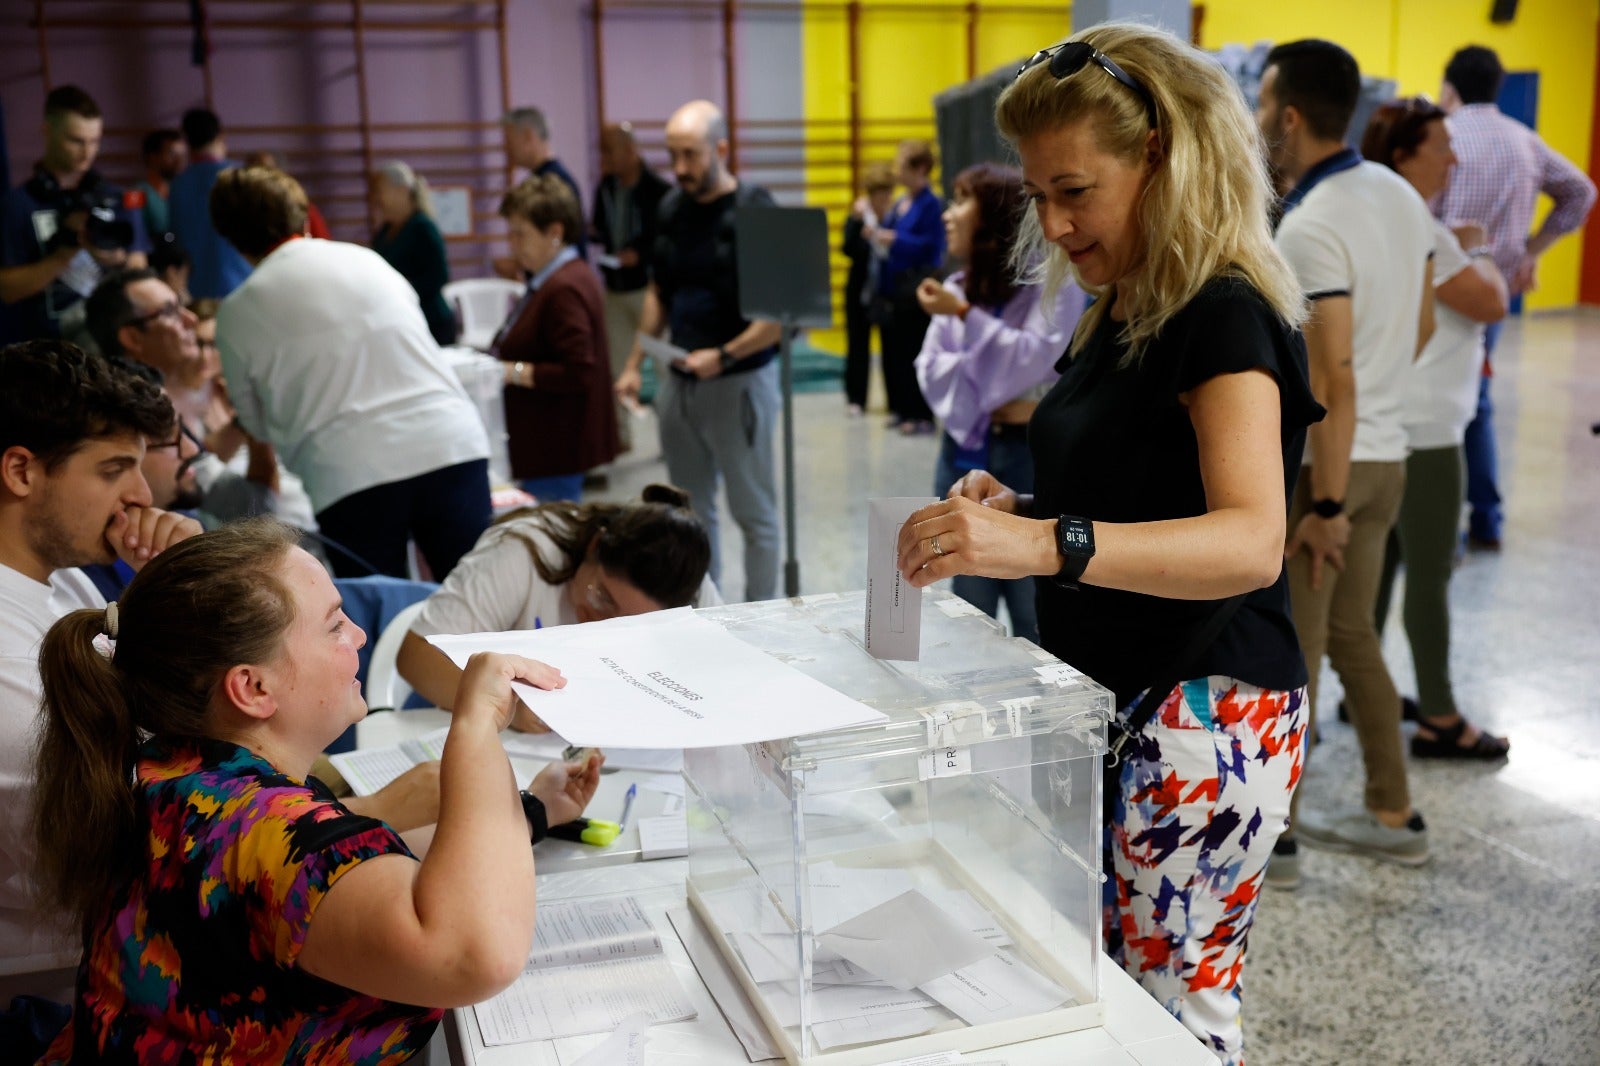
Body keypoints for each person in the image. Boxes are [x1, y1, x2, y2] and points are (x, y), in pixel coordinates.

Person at [896, 25, 1322, 1064]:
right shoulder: (1123, 303)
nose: (1052, 221)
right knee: (1115, 1002)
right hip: (1123, 700)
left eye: (1074, 191)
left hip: (1201, 712)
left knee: (1171, 1018)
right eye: (1038, 194)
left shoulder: (1222, 309)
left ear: (1164, 160)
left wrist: (1050, 545)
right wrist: (1024, 510)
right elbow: (1142, 494)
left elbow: (1249, 539)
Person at [30, 518, 604, 1061]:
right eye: (334, 625)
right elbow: (473, 953)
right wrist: (476, 727)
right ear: (252, 687)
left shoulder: (180, 774)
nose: (358, 634)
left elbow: (371, 875)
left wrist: (529, 811)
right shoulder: (260, 826)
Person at [1259, 39, 1437, 880]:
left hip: (1329, 470)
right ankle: (1393, 812)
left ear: (1290, 115)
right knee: (1357, 634)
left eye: (1262, 108)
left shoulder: (1311, 224)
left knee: (1303, 645)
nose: (1260, 124)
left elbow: (1329, 375)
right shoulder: (1403, 198)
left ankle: (1280, 837)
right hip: (1389, 456)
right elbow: (1425, 329)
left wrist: (1322, 506)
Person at [0, 339, 198, 1025]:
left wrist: (174, 591)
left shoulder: (66, 583)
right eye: (115, 469)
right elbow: (117, 834)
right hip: (65, 976)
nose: (142, 497)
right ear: (22, 471)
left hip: (121, 917)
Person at [210, 166, 492, 580]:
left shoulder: (237, 312)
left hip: (350, 471)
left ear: (233, 240)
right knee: (478, 601)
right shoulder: (367, 259)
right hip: (448, 442)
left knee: (383, 616)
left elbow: (255, 423)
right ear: (302, 215)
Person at [1361, 98, 1511, 760]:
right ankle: (1441, 718)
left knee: (1384, 568)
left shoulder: (1378, 214)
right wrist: (1479, 249)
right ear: (1402, 156)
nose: (1453, 159)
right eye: (1440, 147)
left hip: (1395, 420)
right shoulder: (1425, 227)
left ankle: (1368, 690)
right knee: (1428, 573)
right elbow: (1490, 300)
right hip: (1427, 433)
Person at [613, 100, 784, 602]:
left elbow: (778, 318)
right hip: (679, 383)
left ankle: (760, 624)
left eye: (691, 155)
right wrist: (632, 364)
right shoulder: (670, 209)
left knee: (755, 514)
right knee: (692, 515)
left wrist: (725, 356)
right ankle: (707, 618)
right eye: (673, 156)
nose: (681, 169)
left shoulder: (756, 208)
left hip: (739, 384)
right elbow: (658, 291)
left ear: (722, 149)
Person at [913, 162, 1087, 645]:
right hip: (964, 450)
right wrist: (994, 385)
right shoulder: (955, 289)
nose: (948, 214)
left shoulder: (1051, 285)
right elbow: (931, 372)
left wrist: (969, 328)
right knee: (968, 600)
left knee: (1035, 602)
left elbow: (1029, 359)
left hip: (1024, 455)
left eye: (962, 200)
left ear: (994, 217)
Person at [1435, 45, 1597, 550]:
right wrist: (1533, 250)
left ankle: (1446, 530)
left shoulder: (1443, 137)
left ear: (1450, 86)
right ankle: (1487, 520)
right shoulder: (1525, 140)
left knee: (1442, 410)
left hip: (1441, 291)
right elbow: (1582, 192)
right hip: (1497, 292)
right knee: (1477, 404)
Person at [397, 484, 716, 729]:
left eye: (631, 623)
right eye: (601, 596)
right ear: (594, 546)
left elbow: (720, 672)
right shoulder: (522, 553)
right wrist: (513, 709)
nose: (605, 622)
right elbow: (416, 656)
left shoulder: (689, 586)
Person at [490, 175, 619, 502]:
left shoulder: (563, 288)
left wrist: (510, 371)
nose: (514, 245)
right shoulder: (557, 277)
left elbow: (578, 371)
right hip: (551, 444)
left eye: (521, 235)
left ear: (555, 233)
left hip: (556, 448)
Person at [0, 86, 151, 347]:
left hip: (110, 345)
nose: (88, 152)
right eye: (76, 140)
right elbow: (7, 289)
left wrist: (116, 259)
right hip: (44, 349)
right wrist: (63, 254)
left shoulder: (117, 198)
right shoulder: (17, 204)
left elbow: (140, 271)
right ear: (47, 131)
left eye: (95, 141)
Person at [592, 121, 671, 449]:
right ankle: (620, 439)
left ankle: (672, 439)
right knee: (616, 367)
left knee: (665, 368)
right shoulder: (606, 188)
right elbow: (598, 226)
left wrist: (640, 254)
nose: (604, 158)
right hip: (615, 288)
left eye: (609, 150)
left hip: (648, 289)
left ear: (630, 151)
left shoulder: (658, 191)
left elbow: (664, 240)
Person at [869, 139, 945, 433]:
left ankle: (921, 415)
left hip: (915, 289)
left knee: (917, 351)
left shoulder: (931, 203)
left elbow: (932, 246)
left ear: (921, 168)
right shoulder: (901, 203)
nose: (897, 172)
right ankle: (901, 408)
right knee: (896, 352)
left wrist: (895, 240)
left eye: (903, 165)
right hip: (893, 290)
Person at [168, 108, 253, 300]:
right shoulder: (241, 177)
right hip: (242, 280)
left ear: (186, 139)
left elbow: (174, 236)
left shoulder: (178, 184)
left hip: (197, 286)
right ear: (221, 135)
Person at [370, 160, 457, 346]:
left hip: (429, 321)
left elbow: (438, 276)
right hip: (398, 319)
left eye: (380, 191)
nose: (377, 198)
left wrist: (402, 291)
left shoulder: (423, 228)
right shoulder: (384, 231)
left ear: (401, 190)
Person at [841, 162, 896, 417]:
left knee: (891, 348)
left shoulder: (896, 214)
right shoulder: (859, 215)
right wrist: (859, 230)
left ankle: (894, 400)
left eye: (887, 192)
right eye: (879, 193)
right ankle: (856, 399)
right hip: (860, 291)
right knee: (857, 347)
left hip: (886, 291)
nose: (883, 198)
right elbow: (847, 249)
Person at [499, 106, 586, 265]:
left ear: (527, 136)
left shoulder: (554, 183)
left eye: (510, 142)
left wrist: (518, 264)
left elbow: (560, 247)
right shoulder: (543, 179)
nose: (507, 149)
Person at [132, 128, 185, 243]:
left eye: (181, 154)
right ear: (153, 157)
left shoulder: (182, 191)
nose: (179, 160)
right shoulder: (136, 193)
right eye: (172, 154)